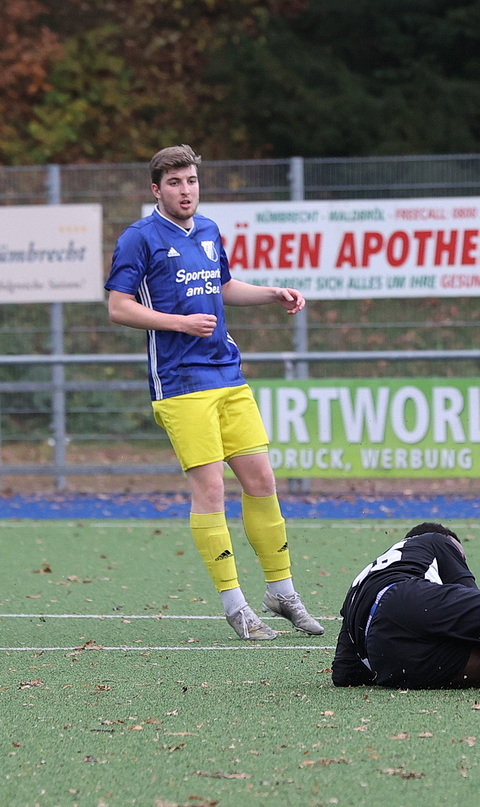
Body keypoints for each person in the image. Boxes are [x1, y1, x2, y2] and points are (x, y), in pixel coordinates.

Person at [106, 144, 321, 642]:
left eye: (192, 181)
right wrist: (178, 322)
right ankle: (235, 606)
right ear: (156, 189)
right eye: (175, 183)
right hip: (181, 384)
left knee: (262, 480)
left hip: (227, 373)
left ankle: (282, 592)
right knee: (211, 489)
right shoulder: (139, 238)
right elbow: (118, 307)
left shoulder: (207, 230)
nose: (186, 191)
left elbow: (222, 286)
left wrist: (270, 293)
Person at [332, 522, 480, 689]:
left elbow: (344, 673)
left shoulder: (360, 585)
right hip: (407, 598)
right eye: (461, 557)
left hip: (387, 656)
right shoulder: (435, 539)